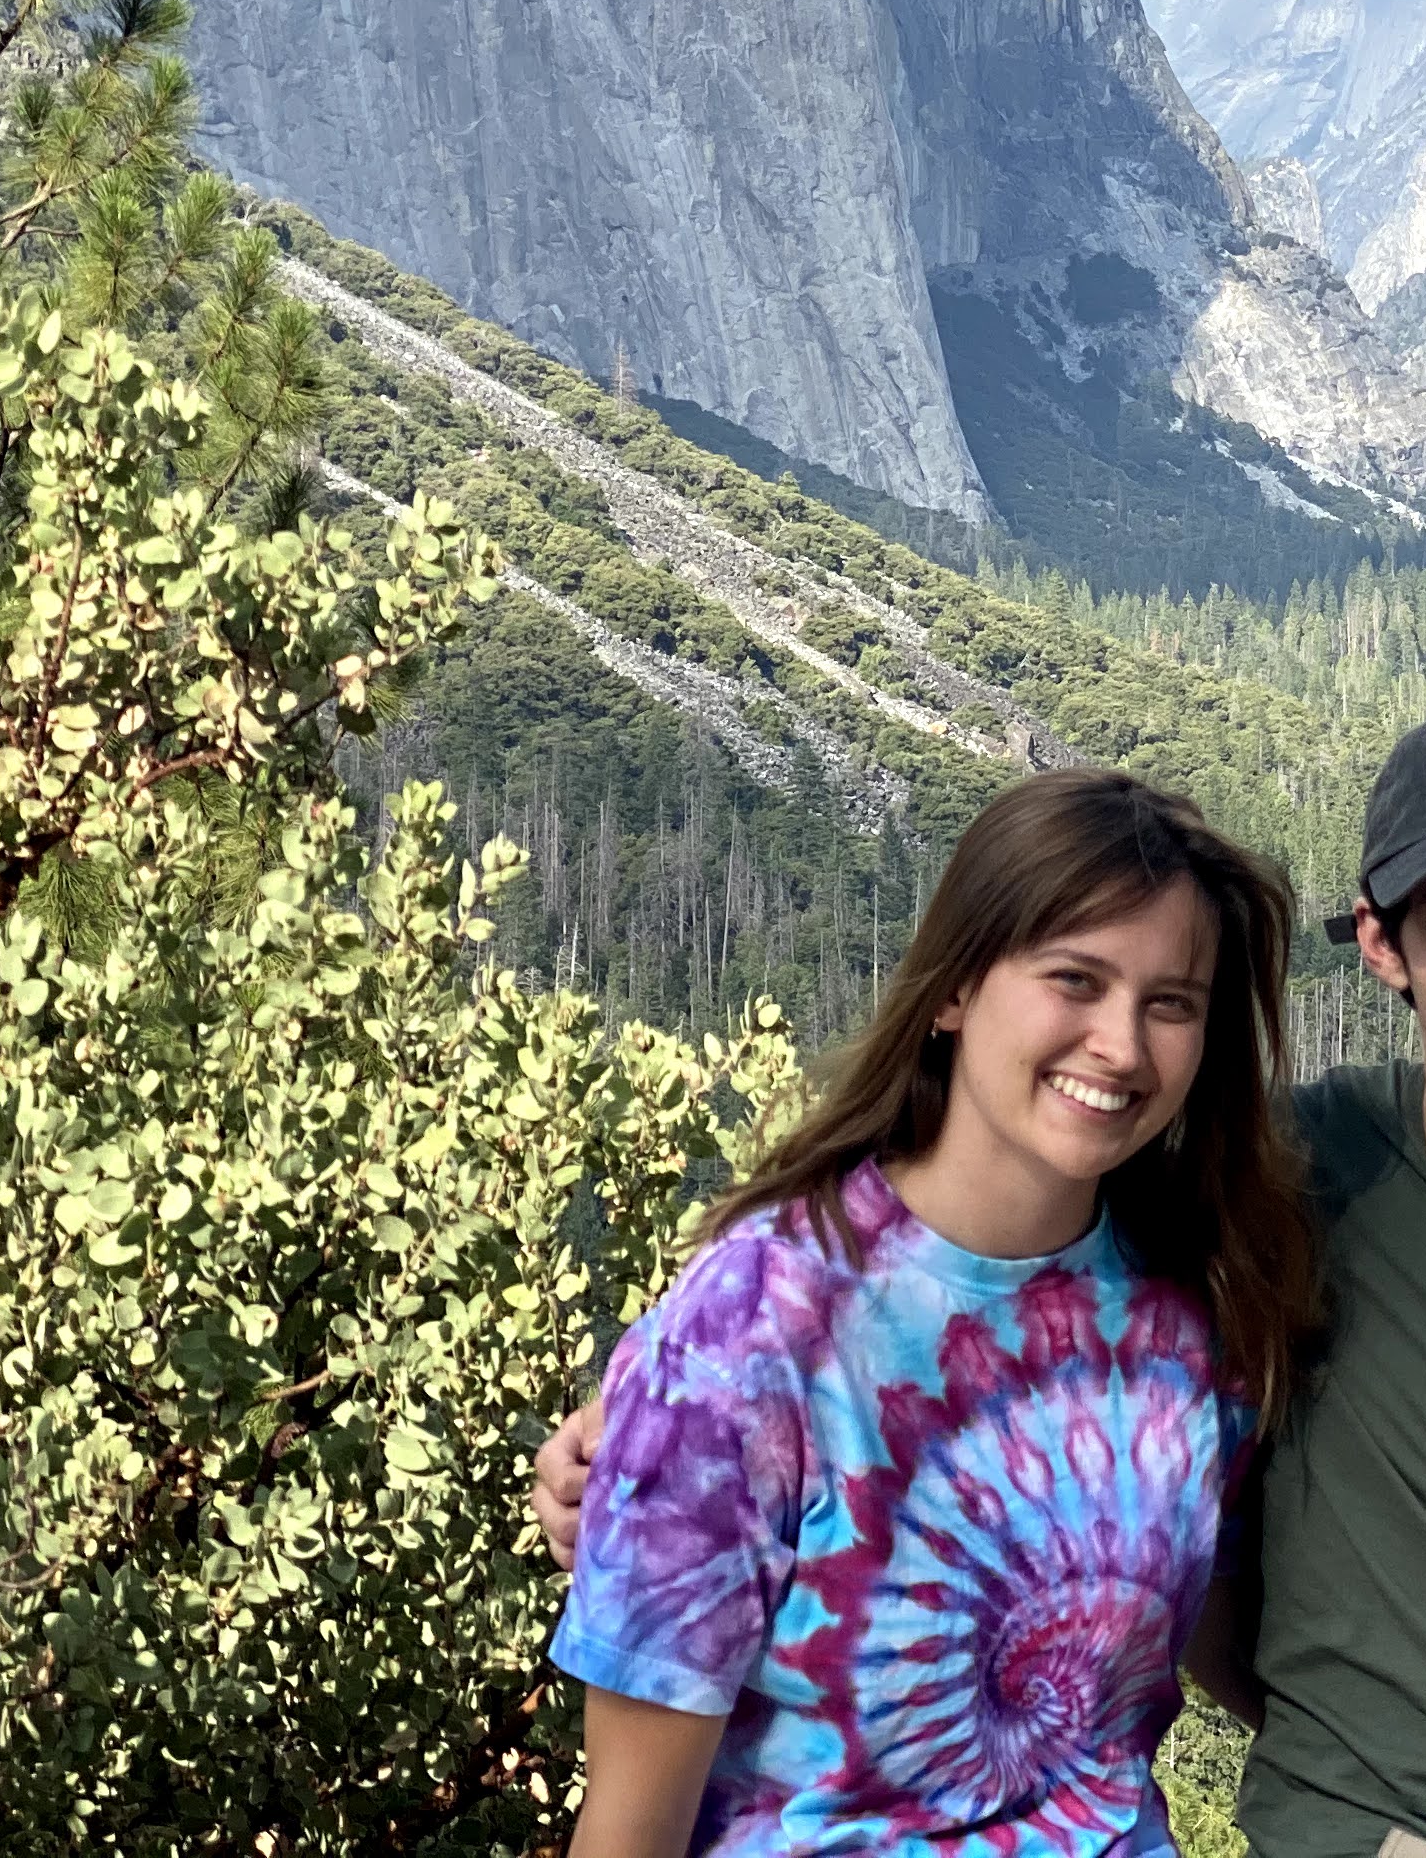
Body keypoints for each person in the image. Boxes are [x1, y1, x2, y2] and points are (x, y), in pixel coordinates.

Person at [545, 705, 1426, 1858]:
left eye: (1171, 1006)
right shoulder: (1248, 1194)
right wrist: (650, 1428)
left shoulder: (1212, 1246)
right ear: (1383, 948)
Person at [549, 768, 1319, 1858]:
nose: (1122, 1045)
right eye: (1075, 980)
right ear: (954, 991)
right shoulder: (756, 1326)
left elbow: (1228, 1639)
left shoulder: (1189, 1315)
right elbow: (631, 1830)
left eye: (1170, 1004)